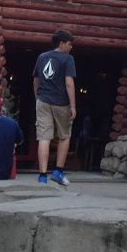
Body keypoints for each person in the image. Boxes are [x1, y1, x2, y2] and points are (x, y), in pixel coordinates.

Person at [33, 29, 77, 185]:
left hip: (43, 100)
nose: (71, 47)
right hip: (61, 102)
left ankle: (42, 176)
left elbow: (36, 80)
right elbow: (69, 83)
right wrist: (73, 106)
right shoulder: (68, 59)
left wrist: (38, 97)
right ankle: (58, 171)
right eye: (70, 44)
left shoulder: (42, 57)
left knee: (44, 137)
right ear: (62, 43)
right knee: (64, 136)